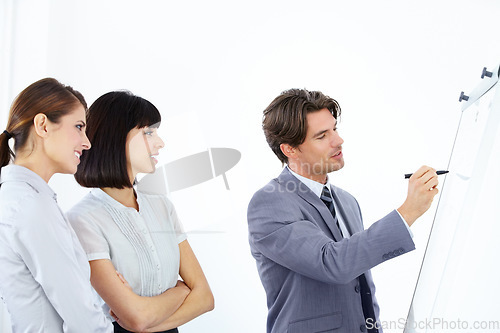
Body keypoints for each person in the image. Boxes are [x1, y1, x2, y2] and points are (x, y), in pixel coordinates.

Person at [247, 88, 439, 333]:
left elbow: (361, 288)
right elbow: (332, 263)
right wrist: (408, 212)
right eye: (322, 135)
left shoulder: (347, 201)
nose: (338, 140)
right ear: (290, 150)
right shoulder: (269, 203)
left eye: (334, 129)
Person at [66, 91, 214, 333]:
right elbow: (135, 318)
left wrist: (146, 322)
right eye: (148, 132)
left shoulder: (161, 206)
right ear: (115, 137)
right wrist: (181, 290)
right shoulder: (83, 219)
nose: (160, 142)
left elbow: (205, 298)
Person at [0, 78, 113, 332]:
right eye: (79, 127)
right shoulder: (30, 206)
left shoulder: (25, 199)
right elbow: (83, 321)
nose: (87, 142)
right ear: (42, 125)